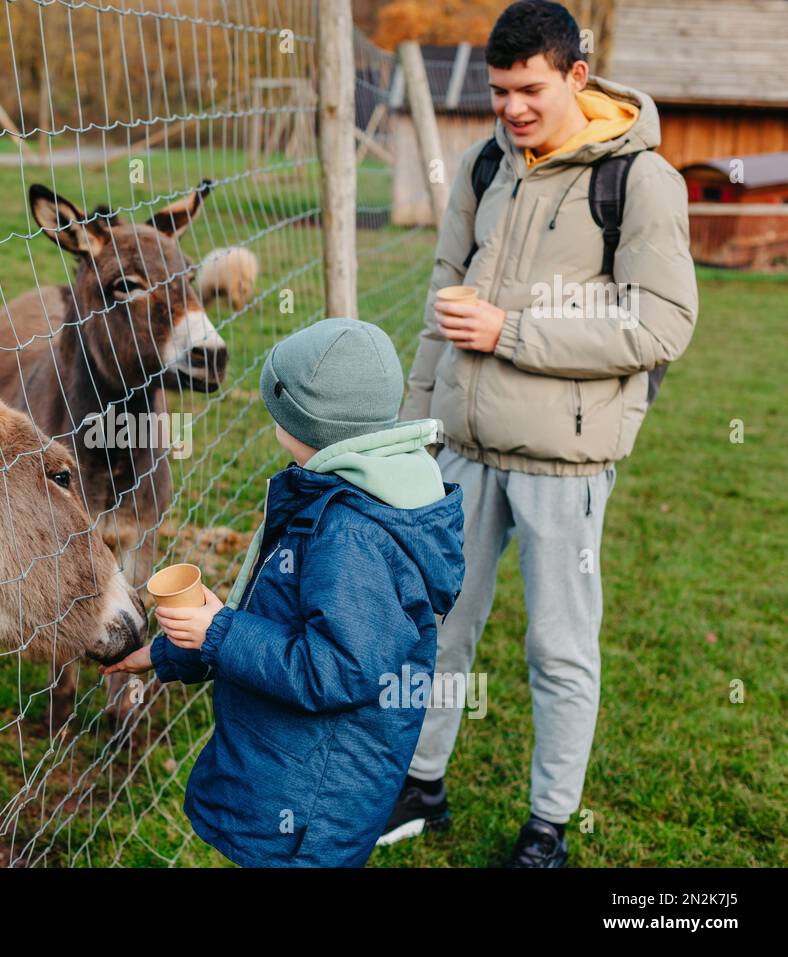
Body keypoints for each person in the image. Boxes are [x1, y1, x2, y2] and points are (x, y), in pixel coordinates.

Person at [385, 0, 698, 867]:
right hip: (460, 451)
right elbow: (441, 303)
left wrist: (511, 333)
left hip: (566, 463)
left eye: (529, 89)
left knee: (558, 648)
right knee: (438, 625)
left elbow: (663, 325)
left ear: (576, 77)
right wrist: (413, 428)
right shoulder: (487, 165)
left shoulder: (639, 180)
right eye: (498, 91)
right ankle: (420, 780)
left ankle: (547, 827)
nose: (512, 109)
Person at [103, 317, 465, 866]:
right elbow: (282, 618)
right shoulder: (365, 491)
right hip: (302, 772)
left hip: (307, 804)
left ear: (306, 422)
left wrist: (219, 630)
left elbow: (335, 668)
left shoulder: (351, 534)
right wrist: (164, 651)